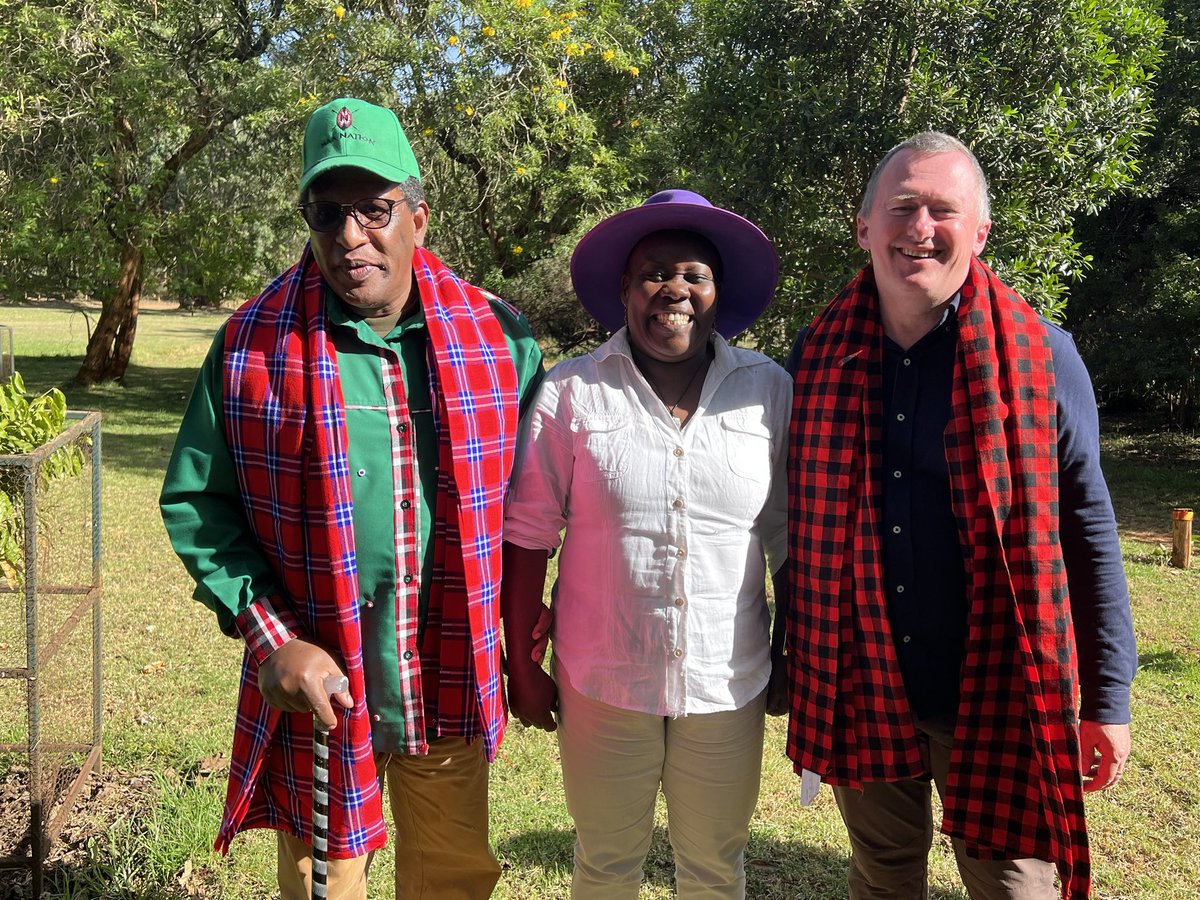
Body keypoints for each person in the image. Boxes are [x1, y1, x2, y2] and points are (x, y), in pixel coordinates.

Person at [160, 97, 545, 900]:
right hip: (323, 697)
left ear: (418, 216)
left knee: (450, 881)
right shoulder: (251, 348)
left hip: (445, 680)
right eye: (327, 212)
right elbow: (200, 506)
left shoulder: (501, 344)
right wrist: (274, 640)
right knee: (322, 891)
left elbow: (540, 512)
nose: (349, 236)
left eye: (375, 209)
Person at [782, 132, 1136, 900]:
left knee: (1016, 889)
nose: (920, 227)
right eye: (902, 206)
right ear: (864, 226)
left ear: (978, 232)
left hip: (999, 689)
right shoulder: (814, 358)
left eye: (943, 209)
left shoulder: (1044, 355)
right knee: (881, 879)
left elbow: (1090, 530)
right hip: (863, 681)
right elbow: (790, 528)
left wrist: (1109, 698)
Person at [500, 190, 792, 899]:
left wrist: (793, 655)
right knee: (605, 862)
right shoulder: (572, 392)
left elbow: (788, 537)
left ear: (718, 293)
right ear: (626, 291)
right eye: (655, 273)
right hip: (602, 675)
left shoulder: (767, 391)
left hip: (728, 677)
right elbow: (529, 533)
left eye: (695, 274)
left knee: (715, 869)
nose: (675, 291)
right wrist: (521, 660)